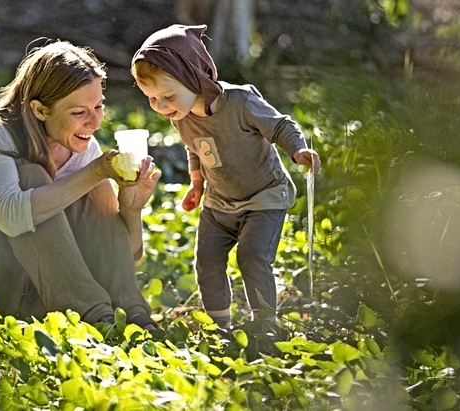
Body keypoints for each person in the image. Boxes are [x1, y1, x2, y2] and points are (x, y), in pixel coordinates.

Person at [0, 40, 161, 331]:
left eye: (99, 106)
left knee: (96, 187)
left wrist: (130, 209)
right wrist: (96, 172)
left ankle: (133, 316)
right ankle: (97, 317)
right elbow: (13, 217)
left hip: (22, 288)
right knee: (33, 179)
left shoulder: (82, 146)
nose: (95, 122)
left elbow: (127, 258)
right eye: (79, 112)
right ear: (39, 110)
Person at [131, 24, 320, 327]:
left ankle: (264, 326)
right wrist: (196, 182)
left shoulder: (240, 103)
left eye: (167, 96)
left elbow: (280, 125)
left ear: (195, 77)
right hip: (219, 203)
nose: (161, 107)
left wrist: (298, 151)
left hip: (263, 196)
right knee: (207, 261)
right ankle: (221, 327)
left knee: (252, 257)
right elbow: (195, 147)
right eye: (152, 99)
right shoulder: (179, 114)